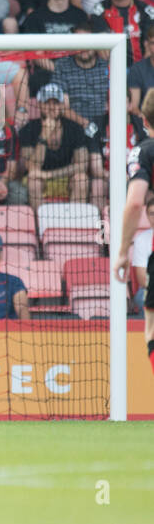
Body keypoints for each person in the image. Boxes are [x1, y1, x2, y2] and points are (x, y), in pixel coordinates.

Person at [114, 127, 154, 380]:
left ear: (145, 120)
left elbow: (135, 201)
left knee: (151, 329)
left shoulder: (144, 150)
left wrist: (121, 250)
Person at [20, 82, 90, 208]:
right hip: (39, 180)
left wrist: (49, 174)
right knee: (33, 181)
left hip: (65, 179)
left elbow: (82, 165)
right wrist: (43, 137)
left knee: (81, 179)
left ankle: (74, 225)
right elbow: (31, 167)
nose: (52, 107)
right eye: (47, 103)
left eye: (56, 103)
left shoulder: (74, 128)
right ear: (39, 105)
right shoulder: (28, 129)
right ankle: (40, 226)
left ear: (62, 106)